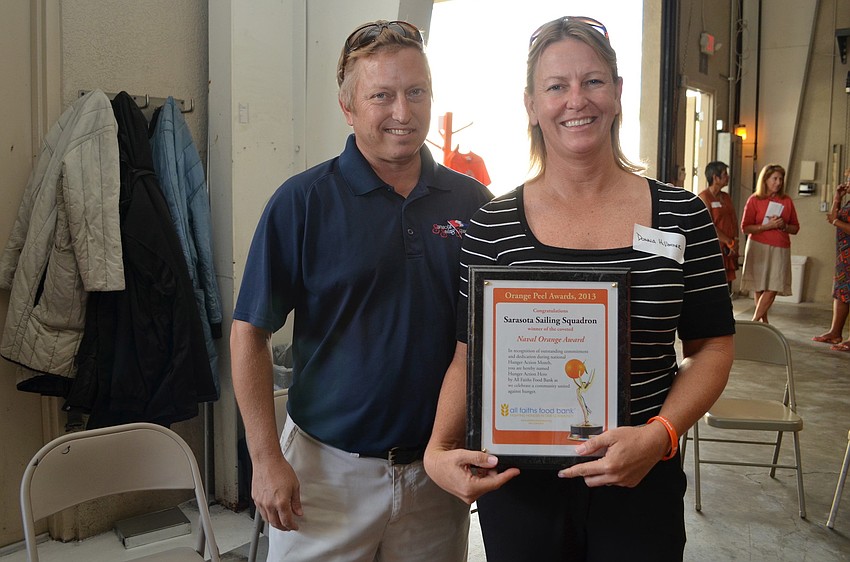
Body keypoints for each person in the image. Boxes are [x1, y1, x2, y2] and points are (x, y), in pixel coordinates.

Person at [423, 16, 735, 561]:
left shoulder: (681, 216)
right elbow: (468, 357)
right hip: (520, 486)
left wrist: (660, 434)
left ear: (616, 93)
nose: (576, 100)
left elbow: (712, 348)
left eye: (592, 81)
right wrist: (437, 450)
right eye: (556, 86)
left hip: (640, 480)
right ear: (530, 104)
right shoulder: (492, 226)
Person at [230, 20, 491, 561]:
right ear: (348, 107)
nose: (403, 111)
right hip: (324, 479)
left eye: (416, 92)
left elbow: (492, 333)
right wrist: (264, 458)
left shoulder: (471, 203)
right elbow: (248, 334)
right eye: (382, 95)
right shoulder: (302, 203)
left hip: (433, 477)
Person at [740, 164, 800, 323]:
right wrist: (766, 227)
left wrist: (783, 226)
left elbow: (795, 228)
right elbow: (745, 227)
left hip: (780, 247)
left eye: (781, 179)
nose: (778, 182)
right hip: (758, 246)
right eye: (775, 178)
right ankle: (763, 322)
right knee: (759, 285)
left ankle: (754, 321)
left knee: (774, 285)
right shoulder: (754, 200)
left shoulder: (786, 200)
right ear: (765, 180)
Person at [813, 171, 850, 351]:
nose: (847, 183)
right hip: (844, 254)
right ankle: (835, 332)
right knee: (841, 292)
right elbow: (833, 217)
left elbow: (835, 220)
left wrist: (836, 222)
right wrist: (837, 198)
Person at [699, 161, 739, 293]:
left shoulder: (726, 197)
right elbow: (708, 225)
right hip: (716, 248)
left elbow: (733, 219)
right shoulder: (704, 197)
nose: (728, 177)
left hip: (730, 248)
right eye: (724, 174)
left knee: (727, 286)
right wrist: (728, 241)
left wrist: (735, 242)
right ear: (715, 178)